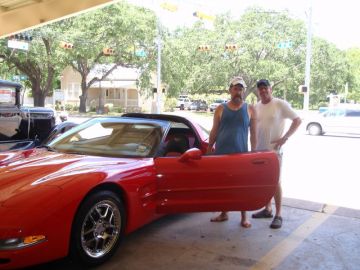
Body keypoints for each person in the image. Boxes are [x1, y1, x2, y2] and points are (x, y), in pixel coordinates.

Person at [207, 76, 257, 228]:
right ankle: (224, 213)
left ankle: (244, 217)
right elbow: (215, 129)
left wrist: (253, 152)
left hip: (241, 155)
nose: (238, 91)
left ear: (243, 91)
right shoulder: (221, 108)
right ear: (230, 90)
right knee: (224, 186)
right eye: (235, 88)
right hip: (222, 154)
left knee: (241, 186)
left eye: (240, 89)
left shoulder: (250, 109)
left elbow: (254, 133)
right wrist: (209, 147)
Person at [252, 79, 302, 229]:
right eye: (260, 89)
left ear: (270, 89)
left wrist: (285, 137)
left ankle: (278, 214)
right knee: (265, 181)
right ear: (258, 91)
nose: (263, 91)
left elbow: (297, 120)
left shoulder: (279, 104)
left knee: (276, 182)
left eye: (265, 88)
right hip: (259, 151)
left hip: (274, 152)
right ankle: (267, 209)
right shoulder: (256, 107)